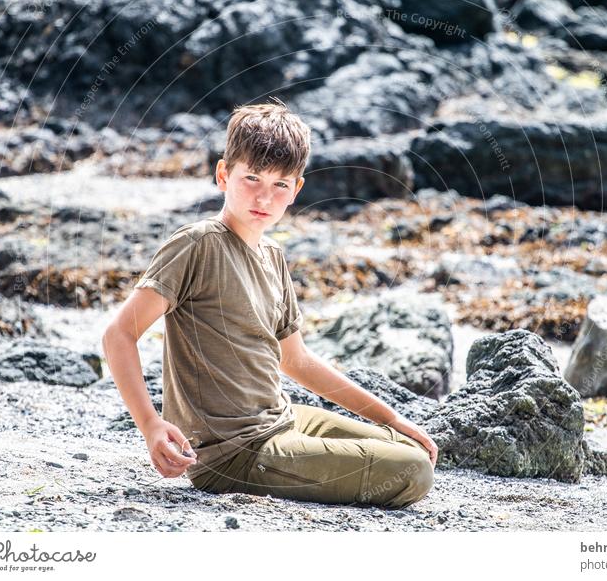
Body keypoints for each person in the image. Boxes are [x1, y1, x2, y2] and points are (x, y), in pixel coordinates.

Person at [101, 99, 438, 509]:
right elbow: (119, 334)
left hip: (283, 420)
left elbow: (295, 360)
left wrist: (392, 418)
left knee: (404, 444)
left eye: (280, 185)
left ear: (296, 190)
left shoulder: (273, 256)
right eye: (253, 178)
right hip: (234, 454)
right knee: (412, 471)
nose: (264, 197)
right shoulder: (197, 244)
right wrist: (151, 425)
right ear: (224, 174)